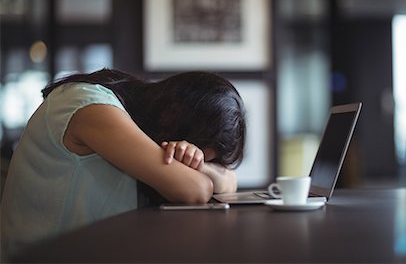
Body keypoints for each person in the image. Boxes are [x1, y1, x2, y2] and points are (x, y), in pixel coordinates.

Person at [0, 68, 246, 260]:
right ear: (173, 113)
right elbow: (195, 191)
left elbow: (229, 182)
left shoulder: (125, 110)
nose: (189, 162)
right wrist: (196, 173)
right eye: (195, 152)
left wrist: (200, 165)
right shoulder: (90, 105)